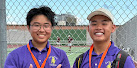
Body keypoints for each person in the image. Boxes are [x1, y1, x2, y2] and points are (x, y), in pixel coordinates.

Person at [4, 6, 70, 68]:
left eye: (46, 26)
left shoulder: (61, 55)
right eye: (36, 25)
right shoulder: (14, 56)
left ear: (51, 28)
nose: (41, 30)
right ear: (28, 27)